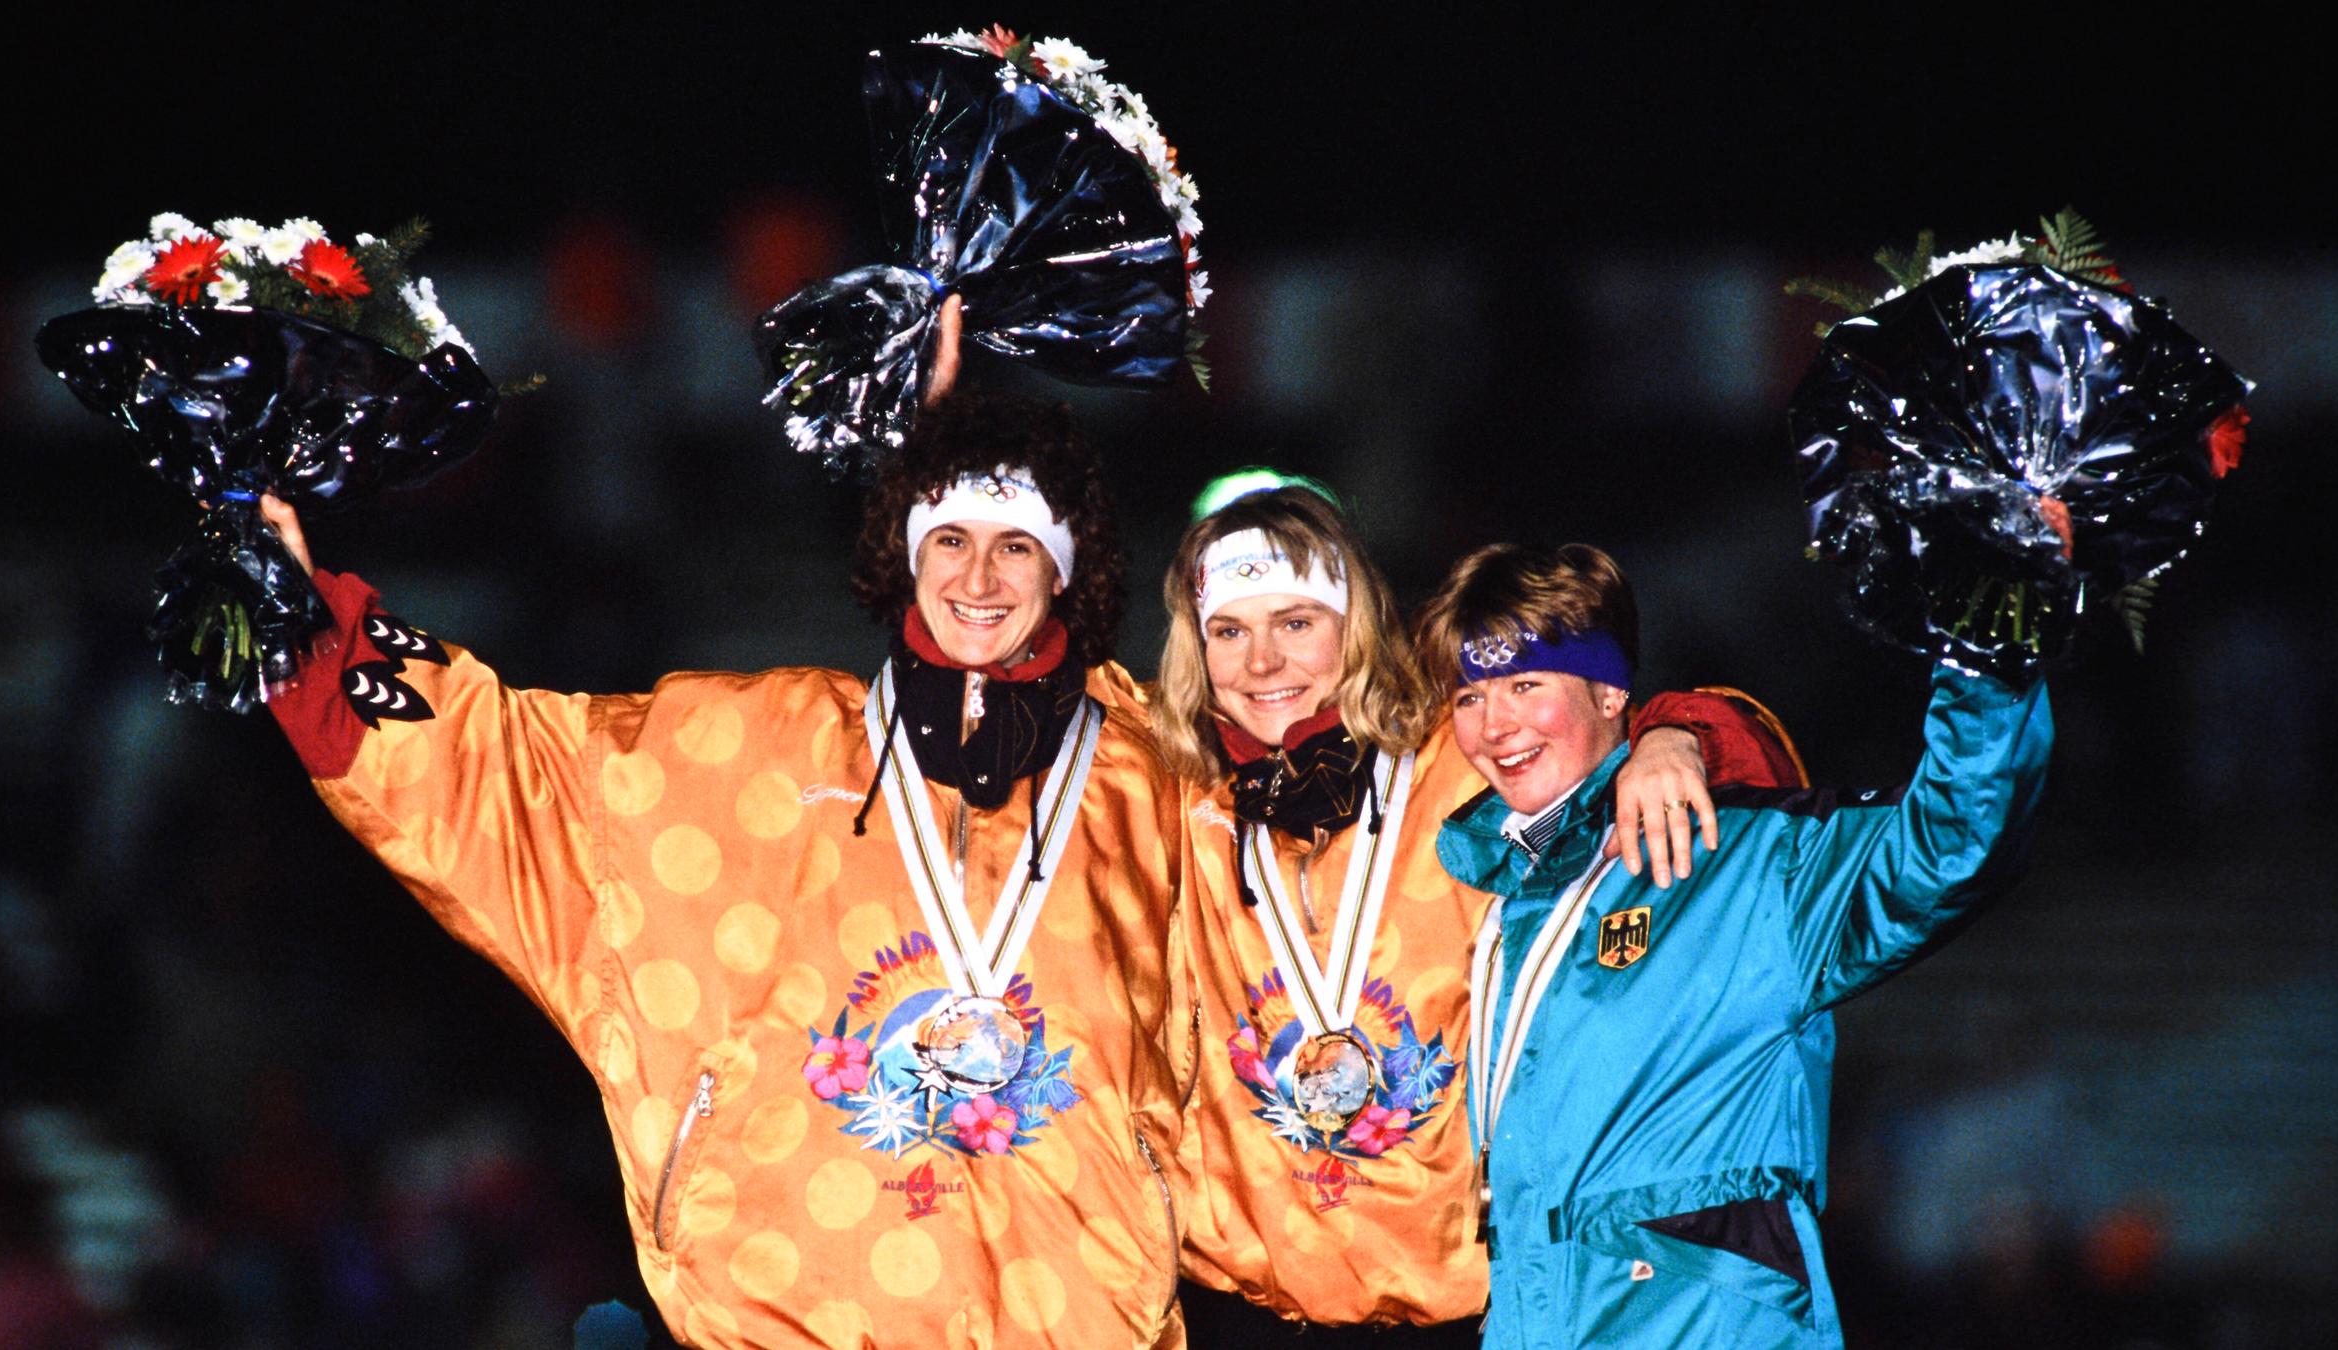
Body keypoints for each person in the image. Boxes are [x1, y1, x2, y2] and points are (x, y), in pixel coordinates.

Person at [260, 393, 1191, 1349]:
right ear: (908, 555)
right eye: (949, 537)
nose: (980, 576)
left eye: (1017, 545)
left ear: (1065, 568)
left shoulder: (1155, 777)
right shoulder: (756, 749)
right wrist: (310, 626)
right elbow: (516, 774)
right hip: (795, 1319)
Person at [1147, 488, 1804, 1340]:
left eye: (1298, 623)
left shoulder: (1459, 765)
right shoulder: (1163, 788)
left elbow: (1652, 739)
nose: (1262, 662)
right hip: (1240, 1312)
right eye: (1229, 631)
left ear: (1357, 627)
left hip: (1465, 1306)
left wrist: (1676, 736)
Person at [1414, 543, 2052, 1348]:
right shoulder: (1504, 904)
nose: (1494, 724)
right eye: (1469, 696)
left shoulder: (1739, 861)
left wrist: (1985, 642)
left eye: (1525, 685)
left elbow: (1955, 837)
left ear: (1612, 691)